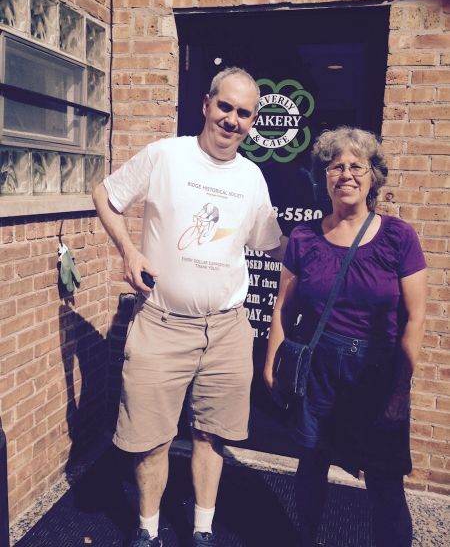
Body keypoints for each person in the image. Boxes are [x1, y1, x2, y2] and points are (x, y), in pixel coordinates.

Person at [93, 67, 287, 547]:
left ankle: (202, 529)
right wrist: (128, 252)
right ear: (206, 104)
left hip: (227, 330)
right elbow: (105, 195)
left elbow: (272, 244)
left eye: (244, 113)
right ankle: (147, 531)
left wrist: (331, 242)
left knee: (211, 435)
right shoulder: (167, 156)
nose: (232, 120)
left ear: (252, 121)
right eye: (225, 106)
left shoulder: (252, 177)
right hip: (161, 324)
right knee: (151, 438)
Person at [264, 126, 427, 547]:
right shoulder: (305, 238)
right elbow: (283, 308)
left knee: (385, 482)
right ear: (324, 177)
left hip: (376, 373)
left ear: (374, 176)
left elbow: (415, 317)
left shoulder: (398, 237)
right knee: (311, 464)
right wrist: (271, 365)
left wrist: (399, 389)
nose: (346, 174)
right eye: (336, 166)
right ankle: (306, 537)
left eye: (357, 166)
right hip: (318, 370)